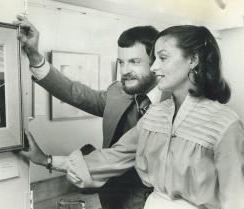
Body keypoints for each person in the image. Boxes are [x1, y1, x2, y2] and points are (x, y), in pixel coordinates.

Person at [19, 25, 244, 209]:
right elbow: (113, 155)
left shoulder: (224, 123)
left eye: (161, 58)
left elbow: (234, 198)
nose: (155, 67)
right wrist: (45, 160)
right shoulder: (153, 113)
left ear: (193, 60)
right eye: (121, 62)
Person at [14, 14, 168, 209]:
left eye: (134, 61)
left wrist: (47, 160)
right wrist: (35, 57)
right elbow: (75, 93)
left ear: (155, 63)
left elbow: (118, 156)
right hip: (111, 199)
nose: (124, 70)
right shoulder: (117, 92)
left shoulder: (174, 106)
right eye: (121, 62)